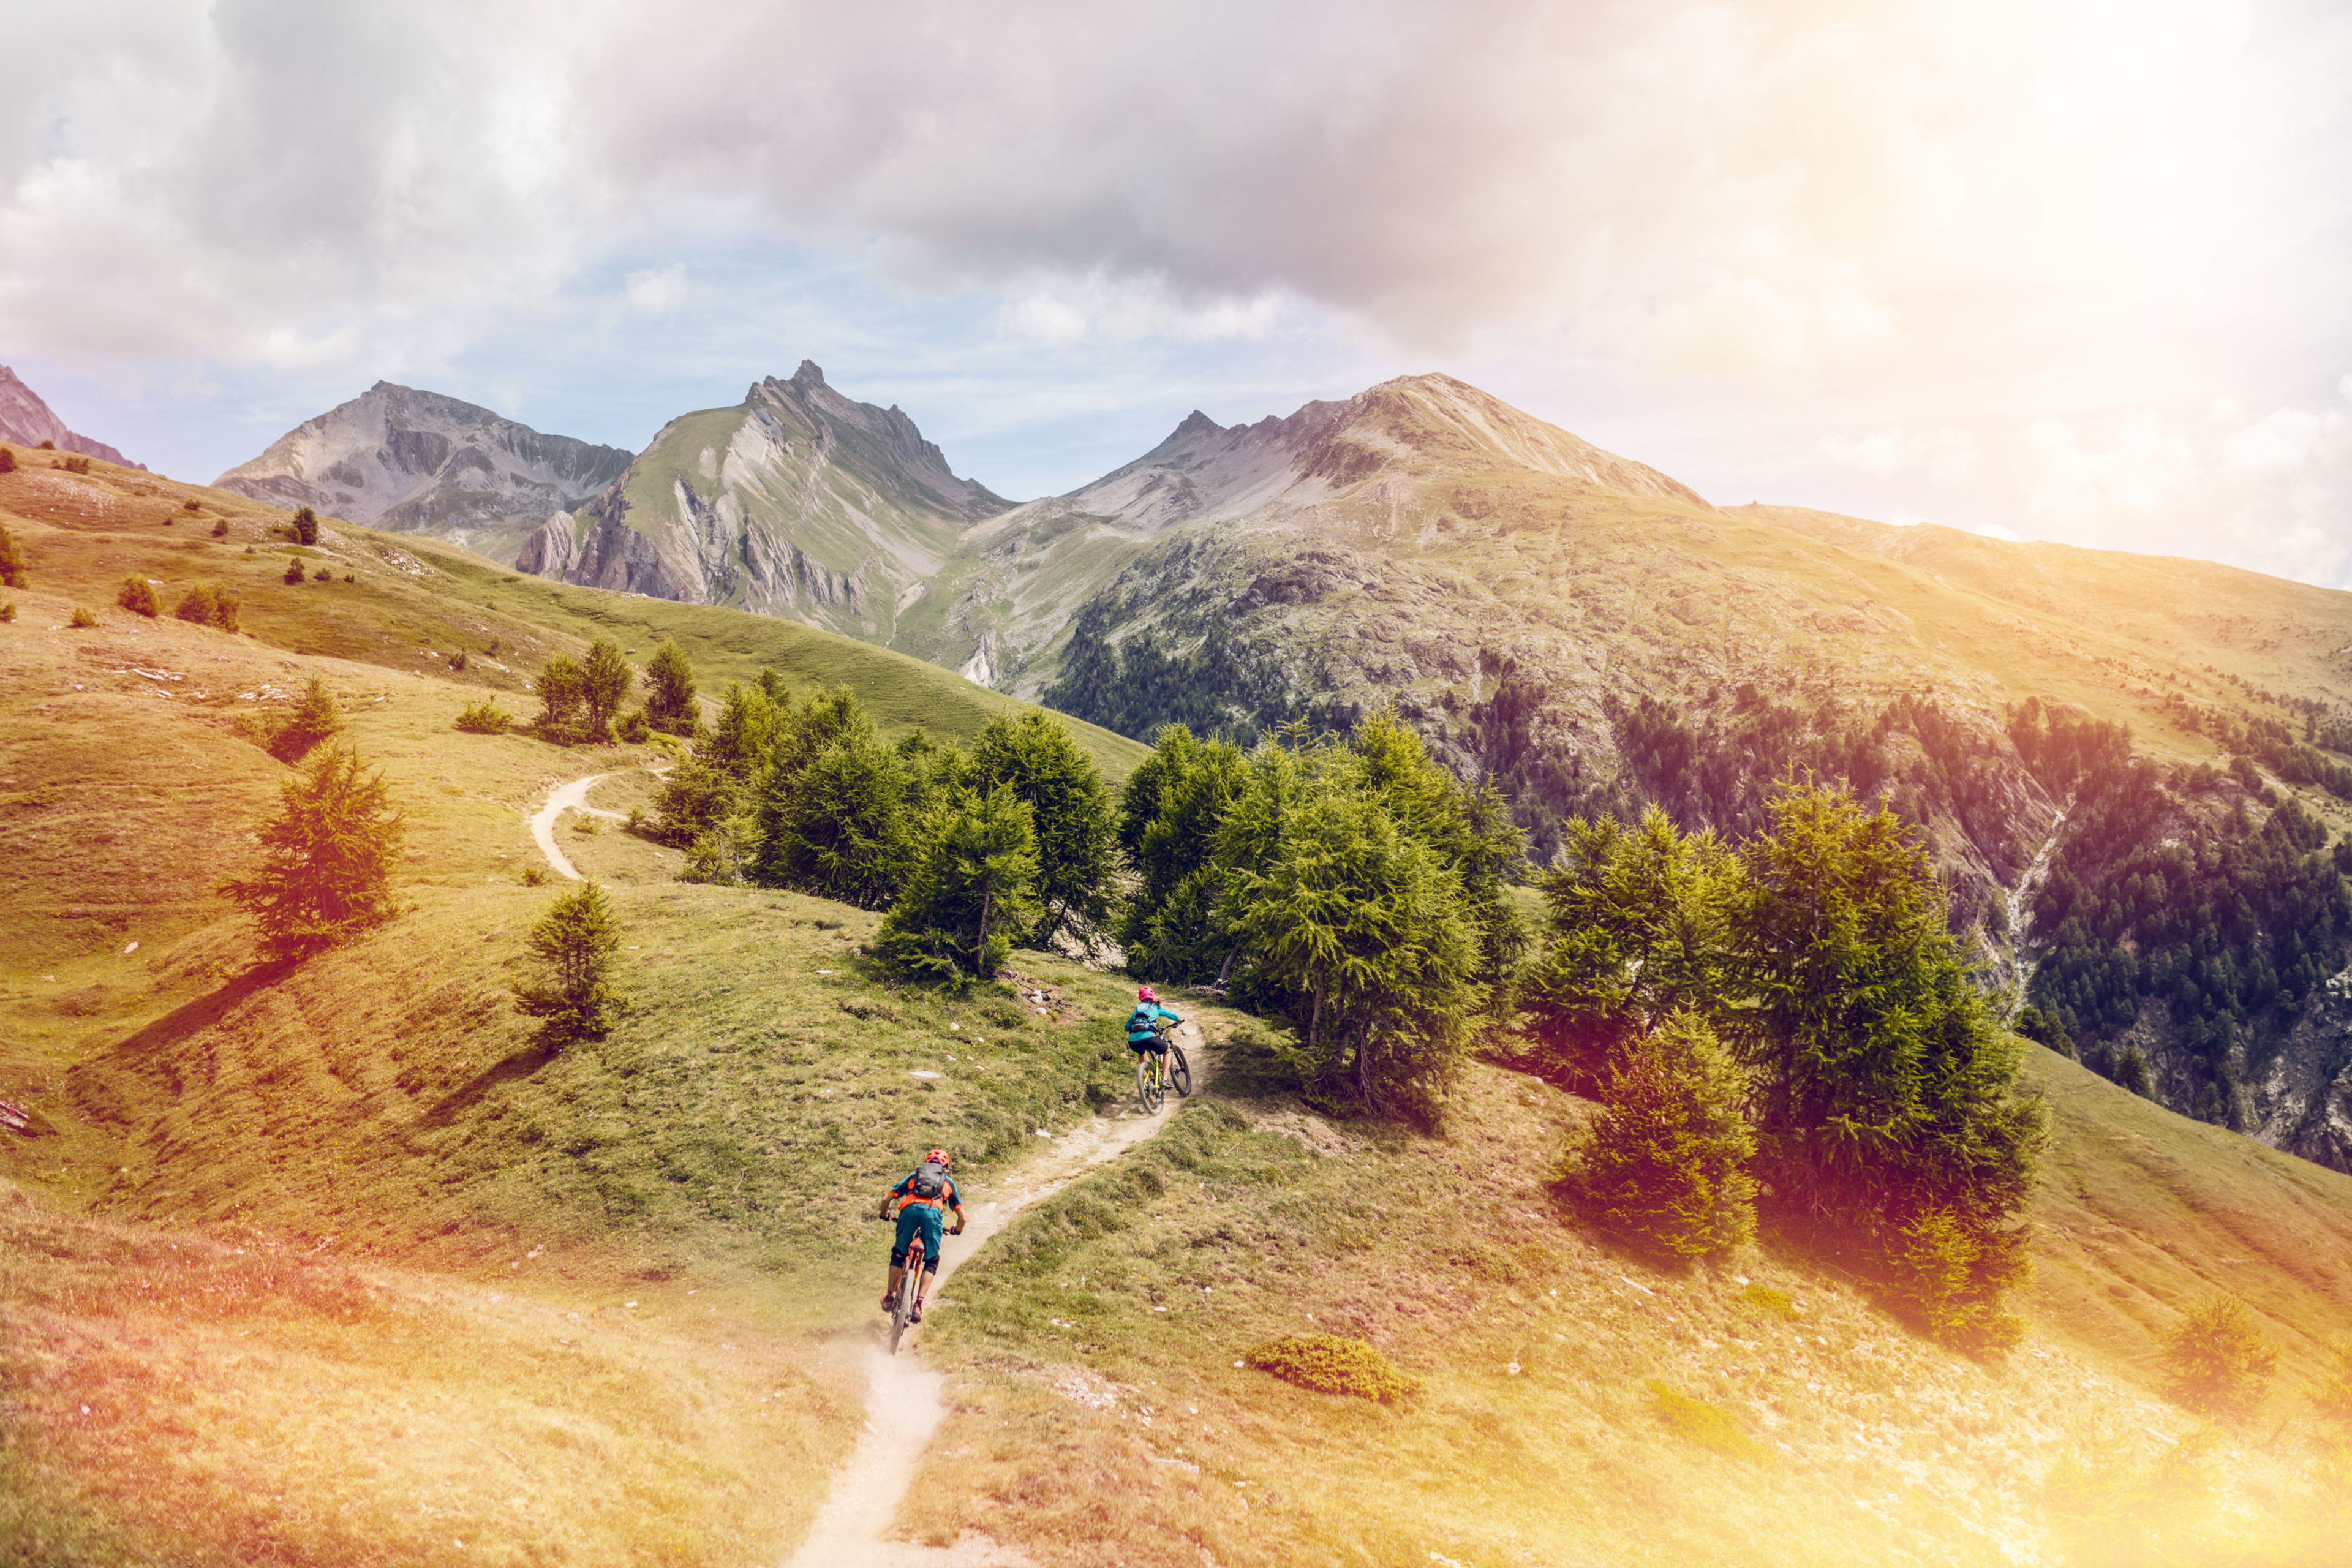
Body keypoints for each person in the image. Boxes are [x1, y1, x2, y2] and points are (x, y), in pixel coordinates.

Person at [879, 1147, 964, 1324]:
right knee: (932, 1260)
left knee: (899, 1253)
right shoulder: (947, 1181)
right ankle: (918, 1305)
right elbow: (963, 1217)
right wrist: (957, 1230)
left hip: (909, 1211)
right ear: (945, 1166)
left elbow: (886, 1199)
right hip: (932, 1215)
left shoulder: (915, 1176)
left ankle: (889, 1296)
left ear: (927, 1162)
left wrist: (884, 1214)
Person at [1126, 986, 1182, 1061]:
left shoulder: (1138, 1008)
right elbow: (1171, 1015)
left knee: (1142, 1053)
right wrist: (1179, 1020)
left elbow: (1126, 1027)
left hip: (1133, 1042)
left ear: (1140, 998)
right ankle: (1165, 1074)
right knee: (1167, 1052)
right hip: (1149, 1038)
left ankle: (1151, 1073)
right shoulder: (1155, 1007)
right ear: (1152, 996)